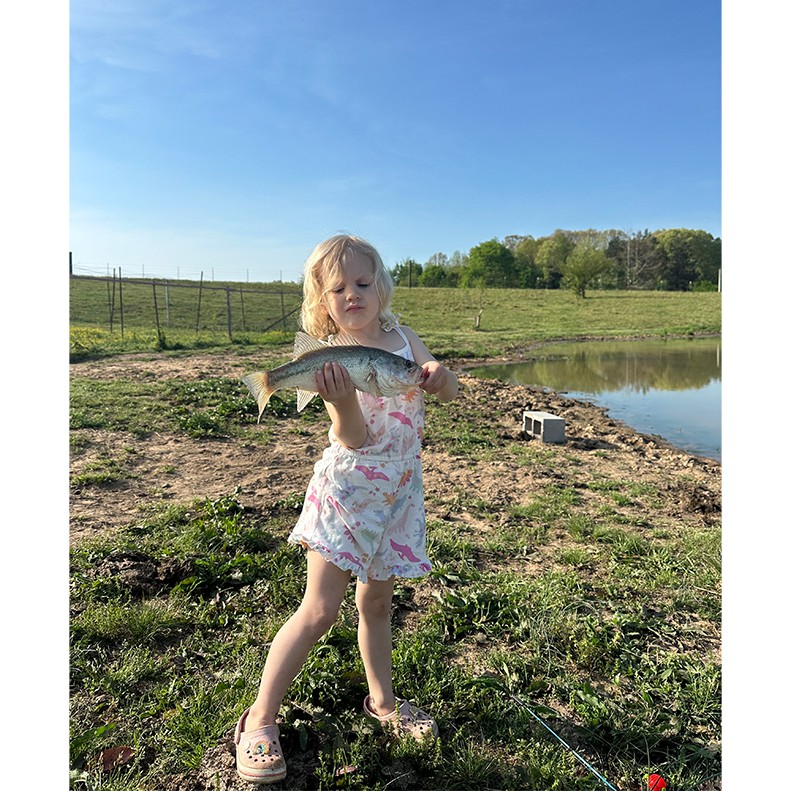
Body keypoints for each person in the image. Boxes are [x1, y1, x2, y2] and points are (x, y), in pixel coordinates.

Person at [234, 234, 459, 785]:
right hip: (349, 491)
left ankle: (382, 701)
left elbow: (447, 389)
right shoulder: (329, 356)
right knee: (319, 611)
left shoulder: (404, 338)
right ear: (323, 299)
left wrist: (438, 375)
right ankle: (260, 720)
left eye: (362, 283)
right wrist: (340, 400)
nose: (353, 294)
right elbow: (353, 439)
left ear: (380, 287)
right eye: (339, 288)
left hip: (401, 493)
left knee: (378, 603)